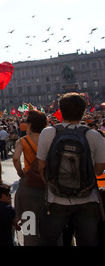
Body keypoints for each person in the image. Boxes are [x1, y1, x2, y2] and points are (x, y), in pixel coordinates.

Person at [37, 92, 105, 246]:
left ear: (60, 110)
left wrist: (52, 185)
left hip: (55, 199)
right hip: (87, 198)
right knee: (88, 242)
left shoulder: (48, 132)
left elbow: (41, 166)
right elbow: (100, 170)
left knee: (48, 240)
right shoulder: (94, 135)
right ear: (83, 110)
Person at [12, 110, 47, 246]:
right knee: (49, 229)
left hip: (29, 187)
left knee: (30, 229)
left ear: (30, 124)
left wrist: (21, 173)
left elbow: (15, 158)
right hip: (46, 185)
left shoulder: (23, 141)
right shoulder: (50, 139)